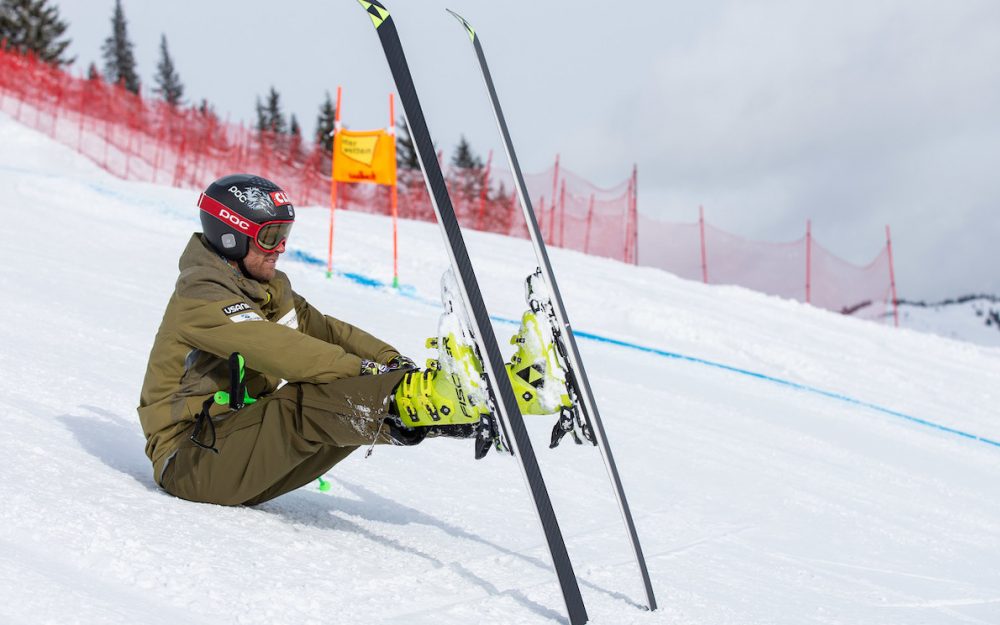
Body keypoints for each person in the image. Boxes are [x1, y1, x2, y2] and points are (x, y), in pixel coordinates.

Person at [138, 173, 567, 506]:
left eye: (284, 236)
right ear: (229, 236)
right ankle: (430, 397)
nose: (279, 248)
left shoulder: (269, 289)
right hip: (190, 460)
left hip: (234, 445)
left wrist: (393, 363)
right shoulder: (201, 295)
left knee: (344, 399)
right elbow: (286, 352)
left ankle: (511, 390)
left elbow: (326, 330)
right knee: (307, 400)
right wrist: (369, 374)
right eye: (269, 237)